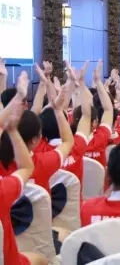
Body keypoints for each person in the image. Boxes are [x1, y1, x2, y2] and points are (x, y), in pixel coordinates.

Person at [0, 88, 48, 265]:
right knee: (43, 259)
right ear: (35, 138)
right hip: (11, 260)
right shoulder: (3, 191)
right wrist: (12, 130)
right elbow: (27, 167)